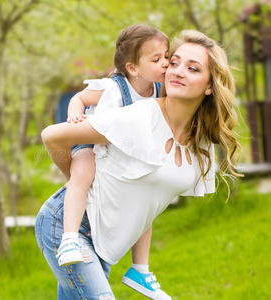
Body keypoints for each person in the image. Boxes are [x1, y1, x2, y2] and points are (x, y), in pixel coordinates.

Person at [36, 30, 241, 300]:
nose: (177, 71)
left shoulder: (199, 140)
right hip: (67, 225)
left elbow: (148, 198)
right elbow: (52, 136)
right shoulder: (139, 116)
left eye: (192, 68)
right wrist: (77, 178)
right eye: (174, 62)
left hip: (107, 236)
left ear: (210, 85)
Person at [57, 24, 169, 295]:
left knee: (145, 199)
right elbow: (79, 98)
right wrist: (75, 117)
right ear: (133, 68)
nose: (166, 64)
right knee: (82, 174)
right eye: (157, 59)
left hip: (119, 154)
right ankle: (69, 238)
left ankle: (140, 269)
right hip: (91, 141)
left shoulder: (157, 90)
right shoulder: (113, 88)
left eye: (167, 56)